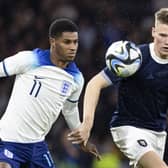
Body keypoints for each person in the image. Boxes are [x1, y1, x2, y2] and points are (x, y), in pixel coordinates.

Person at [68, 8, 168, 168]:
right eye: (163, 35)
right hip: (128, 128)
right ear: (153, 32)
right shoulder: (134, 57)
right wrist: (87, 124)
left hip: (158, 134)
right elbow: (95, 84)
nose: (166, 41)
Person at [0, 18, 100, 168]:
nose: (73, 47)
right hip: (9, 140)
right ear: (53, 42)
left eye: (75, 42)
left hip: (37, 146)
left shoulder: (76, 78)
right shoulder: (29, 59)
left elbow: (70, 110)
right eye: (67, 42)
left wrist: (82, 141)